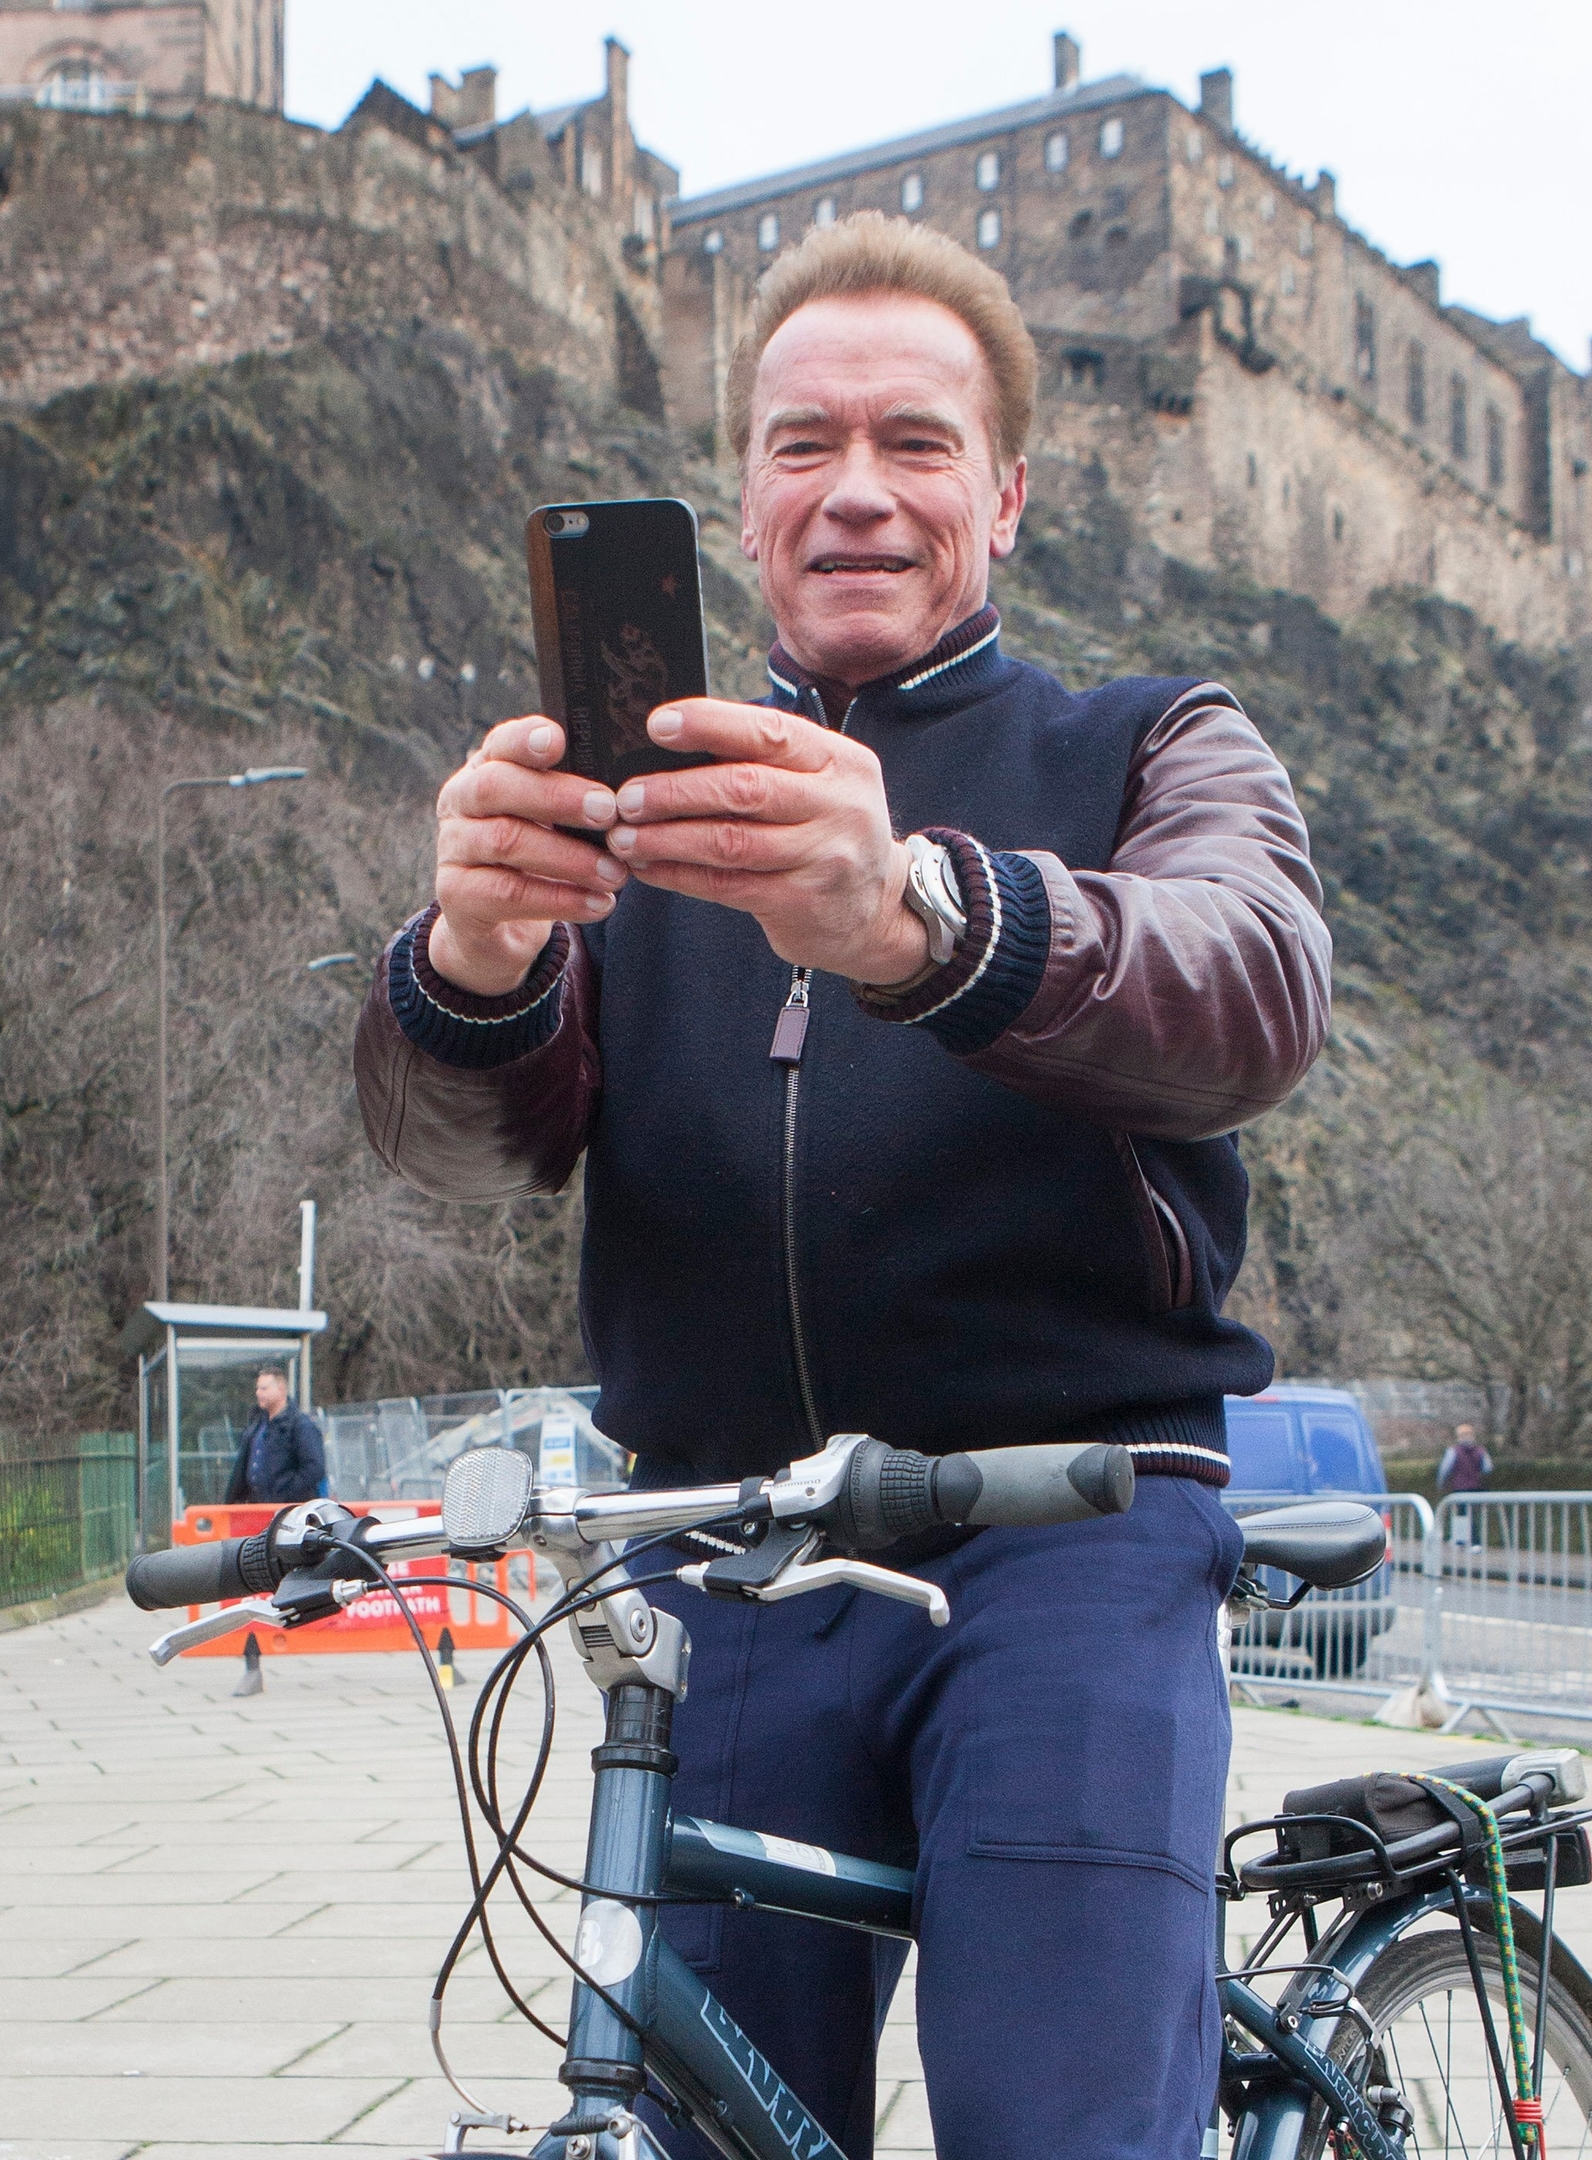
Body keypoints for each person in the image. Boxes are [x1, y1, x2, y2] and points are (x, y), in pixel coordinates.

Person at [354, 213, 1331, 2160]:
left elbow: (1253, 988)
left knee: (1063, 2125)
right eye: (805, 445)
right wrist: (470, 967)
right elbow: (463, 1151)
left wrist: (915, 917)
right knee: (712, 2126)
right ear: (744, 498)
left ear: (1009, 494)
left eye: (916, 441)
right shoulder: (637, 808)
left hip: (1067, 1538)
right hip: (733, 1554)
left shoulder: (1146, 740)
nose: (858, 491)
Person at [223, 1362, 326, 1504]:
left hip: (288, 1511)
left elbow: (314, 1468)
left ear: (281, 1389)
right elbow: (242, 1469)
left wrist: (284, 1494)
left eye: (264, 1388)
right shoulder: (256, 1425)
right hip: (257, 1507)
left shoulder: (300, 1425)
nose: (258, 1393)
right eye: (257, 1388)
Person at [1437, 1420, 1492, 1550]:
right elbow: (1488, 1468)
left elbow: (1445, 1469)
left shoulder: (1454, 1451)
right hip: (1475, 1486)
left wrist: (1441, 1483)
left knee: (1461, 1514)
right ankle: (1473, 1542)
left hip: (1460, 1487)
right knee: (1473, 1515)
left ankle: (1464, 1541)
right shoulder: (1481, 1451)